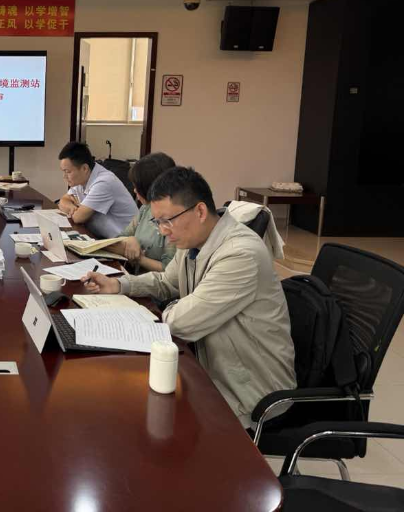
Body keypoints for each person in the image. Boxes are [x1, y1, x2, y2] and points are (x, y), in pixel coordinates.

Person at [81, 167, 296, 427]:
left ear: (200, 212)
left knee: (142, 419)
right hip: (210, 370)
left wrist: (172, 307)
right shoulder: (193, 240)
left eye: (167, 221)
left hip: (250, 393)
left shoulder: (241, 253)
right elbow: (167, 281)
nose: (162, 231)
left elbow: (181, 323)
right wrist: (120, 285)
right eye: (157, 222)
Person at [111, 152, 178, 272]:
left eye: (137, 186)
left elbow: (169, 270)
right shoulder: (145, 209)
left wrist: (139, 258)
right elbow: (119, 239)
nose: (134, 190)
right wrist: (129, 240)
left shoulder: (175, 219)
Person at [57, 141, 138, 238]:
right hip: (101, 236)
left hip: (125, 242)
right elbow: (63, 201)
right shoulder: (81, 179)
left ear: (84, 168)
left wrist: (76, 211)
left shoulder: (104, 182)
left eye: (68, 172)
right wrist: (73, 208)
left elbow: (78, 218)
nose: (64, 176)